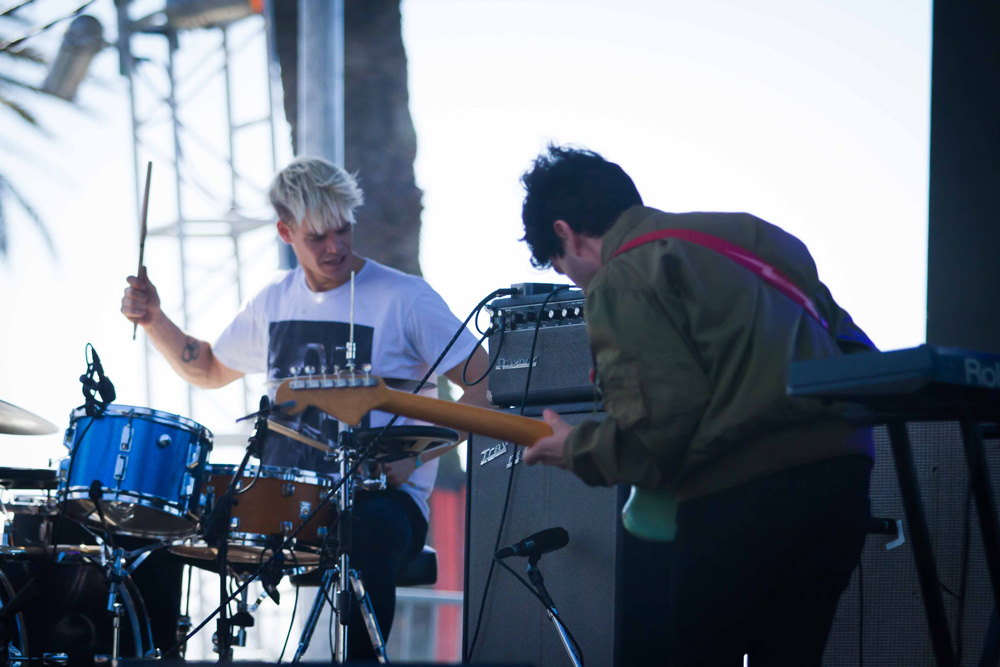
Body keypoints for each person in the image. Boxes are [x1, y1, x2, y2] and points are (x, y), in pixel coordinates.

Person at [519, 145, 877, 666]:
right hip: (842, 479)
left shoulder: (623, 277)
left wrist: (576, 447)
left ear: (565, 234)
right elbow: (855, 350)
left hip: (743, 494)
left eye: (563, 267)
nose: (577, 281)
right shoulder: (756, 236)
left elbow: (659, 433)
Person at [122, 156, 490, 659]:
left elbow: (484, 383)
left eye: (342, 229)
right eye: (317, 236)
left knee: (368, 531)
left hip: (380, 502)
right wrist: (153, 318)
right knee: (156, 524)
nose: (335, 246)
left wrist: (415, 459)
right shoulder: (273, 300)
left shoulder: (405, 299)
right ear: (285, 231)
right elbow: (206, 368)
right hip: (284, 505)